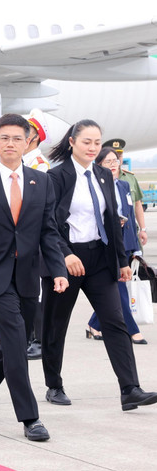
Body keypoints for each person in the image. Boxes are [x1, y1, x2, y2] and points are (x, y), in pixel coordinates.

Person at [0, 113, 69, 442]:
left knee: (16, 342)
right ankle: (30, 417)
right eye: (4, 138)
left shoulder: (41, 181)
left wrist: (58, 270)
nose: (10, 143)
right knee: (17, 343)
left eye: (17, 138)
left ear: (27, 142)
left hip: (27, 276)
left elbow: (49, 232)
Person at [42, 120, 157, 412]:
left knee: (115, 322)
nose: (93, 148)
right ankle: (54, 385)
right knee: (56, 325)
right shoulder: (56, 177)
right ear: (72, 142)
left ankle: (130, 389)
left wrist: (121, 261)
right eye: (86, 142)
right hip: (66, 262)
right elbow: (48, 224)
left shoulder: (104, 175)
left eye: (97, 143)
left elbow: (113, 221)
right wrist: (65, 255)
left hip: (99, 260)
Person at [86, 148, 147, 345]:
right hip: (107, 244)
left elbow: (130, 215)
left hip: (126, 243)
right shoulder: (95, 187)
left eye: (115, 161)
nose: (113, 165)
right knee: (120, 287)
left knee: (117, 287)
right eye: (107, 162)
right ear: (99, 166)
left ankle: (94, 324)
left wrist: (136, 245)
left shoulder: (123, 185)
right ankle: (132, 329)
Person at [22, 109, 51, 360]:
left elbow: (35, 202)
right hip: (20, 235)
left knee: (36, 289)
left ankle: (39, 340)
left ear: (34, 137)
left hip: (33, 234)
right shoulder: (22, 164)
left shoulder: (39, 165)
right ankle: (28, 336)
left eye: (26, 132)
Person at [104, 139, 148, 250]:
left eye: (120, 156)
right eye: (114, 156)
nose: (117, 159)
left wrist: (143, 229)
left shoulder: (130, 178)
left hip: (131, 231)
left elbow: (137, 205)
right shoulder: (100, 179)